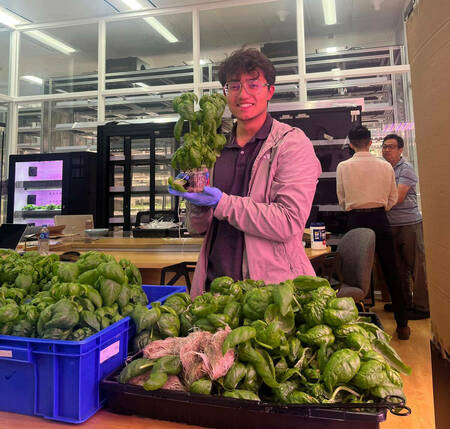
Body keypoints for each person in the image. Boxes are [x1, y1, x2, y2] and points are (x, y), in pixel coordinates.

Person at [169, 48, 322, 297]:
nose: (243, 94)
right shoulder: (215, 149)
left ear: (270, 91)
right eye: (234, 86)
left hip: (269, 295)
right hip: (214, 292)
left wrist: (222, 202)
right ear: (225, 93)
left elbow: (288, 222)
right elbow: (199, 228)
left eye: (253, 84)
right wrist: (195, 203)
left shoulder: (290, 144)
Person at [336, 125, 410, 340]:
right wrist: (381, 208)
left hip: (355, 219)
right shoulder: (385, 166)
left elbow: (342, 199)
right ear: (370, 142)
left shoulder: (343, 167)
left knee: (353, 271)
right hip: (380, 218)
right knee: (391, 270)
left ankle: (352, 326)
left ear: (350, 144)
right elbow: (392, 198)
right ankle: (403, 326)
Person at [382, 134, 430, 319]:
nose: (387, 150)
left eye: (391, 147)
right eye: (385, 146)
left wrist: (376, 200)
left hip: (409, 224)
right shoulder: (383, 169)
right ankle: (403, 304)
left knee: (417, 267)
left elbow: (398, 197)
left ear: (401, 150)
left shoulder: (406, 169)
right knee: (398, 268)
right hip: (390, 224)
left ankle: (422, 307)